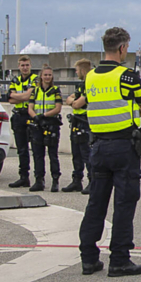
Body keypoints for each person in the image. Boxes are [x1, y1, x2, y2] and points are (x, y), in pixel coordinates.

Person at [78, 27, 141, 277]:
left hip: (98, 147)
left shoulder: (90, 77)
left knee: (96, 203)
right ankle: (119, 260)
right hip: (123, 147)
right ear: (122, 48)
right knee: (124, 204)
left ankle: (88, 258)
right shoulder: (127, 76)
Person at [27, 65, 62, 192]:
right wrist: (35, 117)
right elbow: (30, 107)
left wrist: (44, 115)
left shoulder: (56, 90)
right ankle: (39, 180)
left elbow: (58, 108)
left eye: (49, 75)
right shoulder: (35, 91)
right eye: (45, 75)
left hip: (51, 124)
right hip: (37, 125)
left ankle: (55, 180)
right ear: (41, 76)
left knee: (53, 154)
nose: (47, 77)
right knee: (37, 154)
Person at [6, 55, 37, 188]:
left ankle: (38, 178)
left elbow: (30, 95)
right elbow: (10, 99)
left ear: (30, 65)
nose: (25, 68)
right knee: (21, 149)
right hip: (19, 116)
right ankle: (23, 177)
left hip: (31, 115)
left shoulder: (35, 79)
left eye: (27, 65)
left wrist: (17, 96)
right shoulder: (15, 80)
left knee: (36, 148)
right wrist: (21, 97)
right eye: (22, 65)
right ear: (18, 66)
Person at [63, 58, 93, 194]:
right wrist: (72, 101)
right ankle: (76, 181)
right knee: (76, 154)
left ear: (82, 70)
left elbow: (76, 103)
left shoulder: (91, 84)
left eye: (76, 70)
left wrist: (73, 101)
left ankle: (92, 181)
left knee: (87, 154)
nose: (76, 73)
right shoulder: (81, 85)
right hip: (76, 122)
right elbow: (69, 98)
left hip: (86, 123)